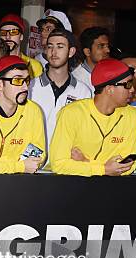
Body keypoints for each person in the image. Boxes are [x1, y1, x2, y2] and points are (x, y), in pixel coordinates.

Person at [49, 58, 136, 177]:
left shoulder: (132, 115)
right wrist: (104, 169)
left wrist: (86, 162)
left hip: (113, 188)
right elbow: (58, 164)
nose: (133, 90)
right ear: (109, 89)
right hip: (74, 187)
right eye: (128, 85)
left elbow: (128, 166)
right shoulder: (72, 113)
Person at [29, 29, 91, 161]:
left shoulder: (83, 91)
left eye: (60, 47)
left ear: (71, 52)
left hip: (66, 164)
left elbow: (83, 131)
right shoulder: (30, 86)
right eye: (50, 46)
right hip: (33, 164)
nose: (53, 52)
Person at [0, 13, 43, 79]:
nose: (7, 37)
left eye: (13, 32)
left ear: (21, 36)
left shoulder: (34, 66)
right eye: (3, 33)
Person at [73, 27, 111, 92]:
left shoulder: (112, 73)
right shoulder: (76, 79)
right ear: (87, 52)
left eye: (107, 46)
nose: (108, 50)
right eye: (101, 46)